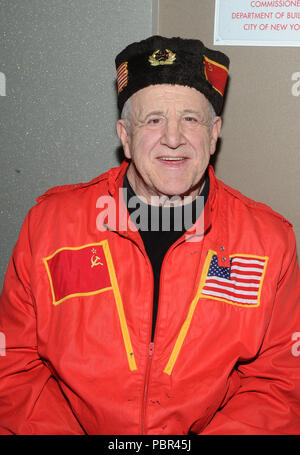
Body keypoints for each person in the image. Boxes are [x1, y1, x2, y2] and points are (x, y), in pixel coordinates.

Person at [0, 35, 299, 435]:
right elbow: (14, 365)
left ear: (214, 134)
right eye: (153, 120)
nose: (173, 138)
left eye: (191, 120)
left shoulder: (268, 242)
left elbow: (279, 382)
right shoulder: (49, 226)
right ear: (125, 135)